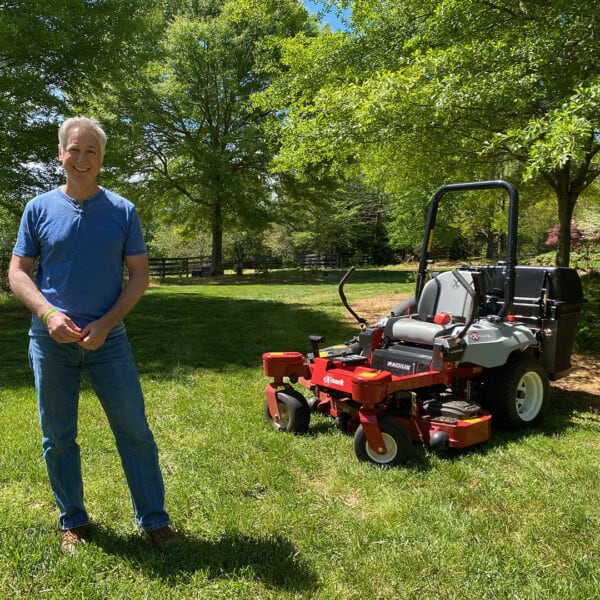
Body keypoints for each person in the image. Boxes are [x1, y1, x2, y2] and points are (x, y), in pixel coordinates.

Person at [8, 116, 180, 552]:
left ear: (101, 160)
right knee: (58, 436)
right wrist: (48, 315)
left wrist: (106, 323)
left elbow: (139, 276)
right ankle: (74, 520)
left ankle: (154, 520)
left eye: (92, 152)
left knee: (134, 430)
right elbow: (17, 272)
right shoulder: (38, 208)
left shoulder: (122, 210)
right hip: (50, 343)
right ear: (60, 154)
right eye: (75, 149)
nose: (82, 159)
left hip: (110, 341)